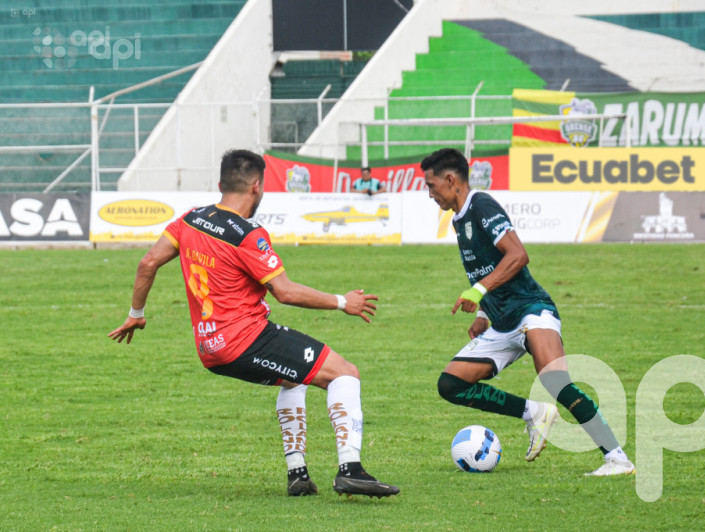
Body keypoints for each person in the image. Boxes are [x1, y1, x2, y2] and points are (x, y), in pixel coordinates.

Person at [108, 149, 399, 498]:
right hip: (246, 339)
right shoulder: (247, 235)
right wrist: (342, 302)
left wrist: (136, 315)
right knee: (345, 373)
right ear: (257, 187)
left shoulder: (190, 219)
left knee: (295, 380)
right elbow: (285, 292)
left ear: (221, 183)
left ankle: (298, 475)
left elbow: (147, 262)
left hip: (210, 350)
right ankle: (351, 469)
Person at [421, 148, 634, 476]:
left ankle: (617, 458)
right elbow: (482, 267)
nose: (430, 193)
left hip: (531, 310)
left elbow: (517, 255)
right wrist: (482, 312)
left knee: (555, 379)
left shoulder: (481, 205)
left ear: (451, 180)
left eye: (432, 185)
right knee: (451, 384)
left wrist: (478, 291)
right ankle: (534, 413)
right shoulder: (458, 220)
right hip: (502, 321)